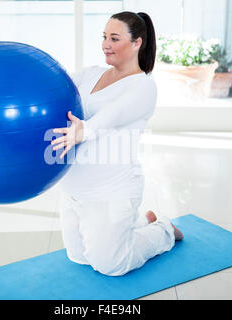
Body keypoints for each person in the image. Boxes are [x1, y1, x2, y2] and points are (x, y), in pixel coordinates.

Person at [50, 11, 183, 277]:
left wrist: (84, 129)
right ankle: (139, 222)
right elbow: (55, 85)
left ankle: (163, 230)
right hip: (74, 188)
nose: (105, 44)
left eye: (114, 38)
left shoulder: (143, 86)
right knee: (79, 257)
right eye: (104, 37)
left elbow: (113, 114)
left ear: (137, 43)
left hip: (112, 190)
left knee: (111, 265)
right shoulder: (90, 74)